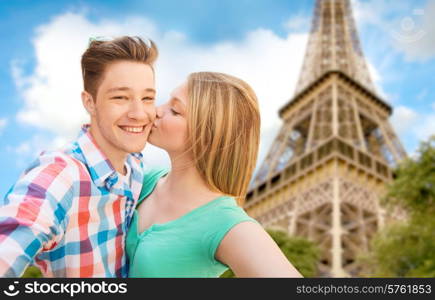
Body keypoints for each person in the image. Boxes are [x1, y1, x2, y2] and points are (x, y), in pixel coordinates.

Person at [0, 36, 158, 277]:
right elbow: (13, 235)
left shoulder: (135, 167)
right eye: (120, 97)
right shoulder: (62, 174)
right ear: (90, 102)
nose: (139, 113)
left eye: (147, 98)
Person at [127, 72, 303, 277]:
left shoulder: (227, 224)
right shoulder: (145, 180)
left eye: (174, 110)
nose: (156, 111)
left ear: (208, 135)